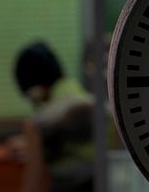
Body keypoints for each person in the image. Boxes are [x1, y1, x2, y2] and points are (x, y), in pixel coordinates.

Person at [9, 42, 94, 192]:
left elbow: (34, 183)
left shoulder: (39, 123)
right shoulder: (99, 108)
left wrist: (33, 141)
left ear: (35, 89)